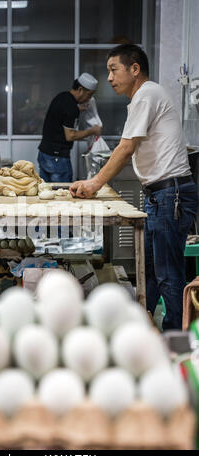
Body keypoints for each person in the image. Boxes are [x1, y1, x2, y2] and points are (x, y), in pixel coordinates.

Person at [70, 44, 198, 331]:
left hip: (171, 194)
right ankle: (140, 326)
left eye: (114, 70)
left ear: (135, 69)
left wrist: (93, 184)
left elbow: (126, 147)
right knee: (150, 269)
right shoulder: (144, 97)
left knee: (167, 273)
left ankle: (176, 340)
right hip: (160, 195)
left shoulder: (146, 94)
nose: (110, 78)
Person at [38, 73, 102, 182]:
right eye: (89, 95)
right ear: (80, 89)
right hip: (57, 158)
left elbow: (61, 117)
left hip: (44, 154)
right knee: (62, 195)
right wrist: (93, 130)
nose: (89, 99)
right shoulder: (71, 107)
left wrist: (78, 110)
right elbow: (70, 135)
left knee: (45, 191)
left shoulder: (62, 96)